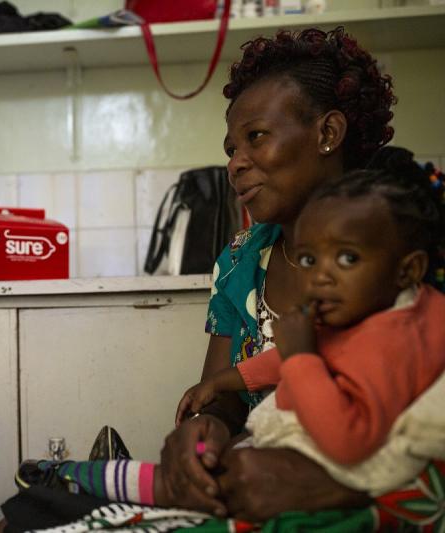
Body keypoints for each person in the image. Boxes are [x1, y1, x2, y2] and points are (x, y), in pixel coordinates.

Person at [158, 26, 445, 523]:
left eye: (256, 138)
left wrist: (328, 487)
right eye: (231, 149)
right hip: (256, 484)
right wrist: (206, 429)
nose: (236, 164)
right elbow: (225, 395)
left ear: (327, 134)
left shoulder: (414, 242)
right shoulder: (239, 262)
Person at [175, 151, 445, 495]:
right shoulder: (354, 312)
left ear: (408, 270)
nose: (320, 277)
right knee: (209, 466)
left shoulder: (396, 338)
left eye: (347, 258)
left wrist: (302, 359)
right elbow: (282, 356)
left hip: (341, 464)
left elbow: (349, 442)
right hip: (291, 445)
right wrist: (221, 383)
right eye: (308, 259)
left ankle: (129, 488)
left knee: (222, 478)